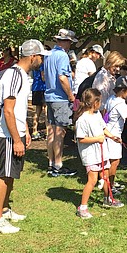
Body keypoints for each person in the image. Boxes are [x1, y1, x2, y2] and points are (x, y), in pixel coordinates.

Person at [0, 39, 50, 234]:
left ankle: (5, 210)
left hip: (16, 132)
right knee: (5, 174)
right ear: (32, 56)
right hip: (7, 135)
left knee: (12, 173)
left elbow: (20, 109)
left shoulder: (23, 75)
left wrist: (26, 132)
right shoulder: (13, 75)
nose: (41, 61)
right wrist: (16, 139)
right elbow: (8, 111)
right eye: (40, 57)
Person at [75, 88, 123, 219]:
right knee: (93, 180)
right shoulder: (82, 120)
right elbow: (81, 138)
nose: (101, 104)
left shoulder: (97, 115)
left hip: (102, 152)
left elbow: (103, 128)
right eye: (100, 101)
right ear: (94, 102)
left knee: (105, 176)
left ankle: (108, 198)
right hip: (90, 154)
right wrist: (97, 139)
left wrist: (113, 137)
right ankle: (83, 207)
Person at [44, 28, 79, 177]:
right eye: (70, 42)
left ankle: (51, 163)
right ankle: (58, 165)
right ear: (66, 41)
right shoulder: (62, 56)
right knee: (60, 132)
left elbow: (44, 76)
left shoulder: (49, 54)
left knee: (51, 131)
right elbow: (62, 78)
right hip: (60, 98)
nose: (71, 45)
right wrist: (71, 96)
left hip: (50, 96)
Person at [30, 61, 47, 141]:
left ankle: (34, 131)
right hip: (42, 88)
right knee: (46, 111)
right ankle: (48, 132)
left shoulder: (34, 65)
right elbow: (43, 78)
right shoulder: (42, 65)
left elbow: (32, 76)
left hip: (35, 88)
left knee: (37, 111)